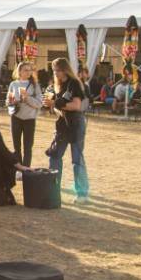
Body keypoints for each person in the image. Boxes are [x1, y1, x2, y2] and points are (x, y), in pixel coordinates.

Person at [43, 57, 90, 204]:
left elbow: (76, 106)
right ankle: (53, 189)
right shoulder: (55, 86)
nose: (55, 73)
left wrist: (54, 103)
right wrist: (50, 105)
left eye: (58, 70)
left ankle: (82, 193)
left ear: (65, 69)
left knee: (77, 160)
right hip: (62, 125)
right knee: (54, 155)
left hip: (76, 123)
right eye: (54, 70)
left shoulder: (74, 83)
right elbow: (58, 108)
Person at [6, 61, 43, 168]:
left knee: (28, 147)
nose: (28, 72)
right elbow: (7, 101)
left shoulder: (35, 85)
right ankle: (18, 169)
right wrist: (11, 102)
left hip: (30, 119)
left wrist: (27, 98)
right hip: (16, 117)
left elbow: (39, 103)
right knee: (16, 146)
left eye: (30, 70)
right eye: (25, 70)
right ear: (19, 71)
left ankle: (26, 169)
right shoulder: (13, 84)